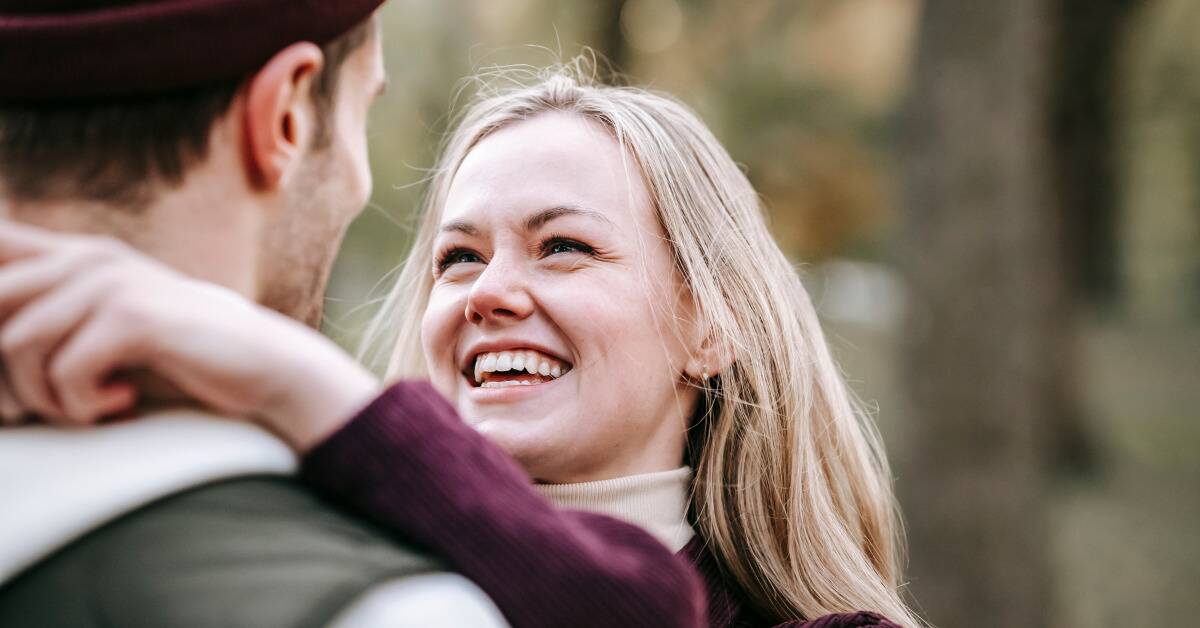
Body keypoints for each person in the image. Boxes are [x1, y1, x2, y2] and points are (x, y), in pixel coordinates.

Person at [0, 57, 923, 627]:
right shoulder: (321, 572)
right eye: (457, 257)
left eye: (563, 247)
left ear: (712, 322)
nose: (488, 293)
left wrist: (300, 382)